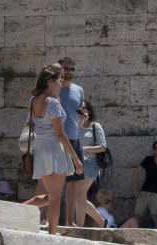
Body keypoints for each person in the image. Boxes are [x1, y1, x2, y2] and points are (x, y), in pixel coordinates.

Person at [29, 63, 83, 235]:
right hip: (53, 148)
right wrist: (75, 159)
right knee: (55, 198)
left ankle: (15, 208)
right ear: (50, 82)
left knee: (50, 196)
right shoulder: (52, 103)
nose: (61, 84)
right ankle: (52, 233)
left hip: (40, 148)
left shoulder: (34, 100)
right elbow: (60, 134)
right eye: (58, 81)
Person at [58, 57, 87, 227]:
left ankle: (69, 220)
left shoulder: (79, 90)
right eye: (66, 68)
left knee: (75, 182)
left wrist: (83, 117)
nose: (68, 71)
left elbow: (80, 117)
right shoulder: (55, 88)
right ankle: (43, 218)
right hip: (58, 139)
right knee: (54, 180)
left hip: (74, 139)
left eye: (71, 68)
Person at [76, 100, 108, 227]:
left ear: (89, 110)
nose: (81, 111)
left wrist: (85, 149)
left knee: (79, 194)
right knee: (79, 196)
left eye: (84, 108)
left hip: (91, 164)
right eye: (79, 109)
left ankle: (80, 225)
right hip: (77, 164)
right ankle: (100, 221)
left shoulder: (95, 126)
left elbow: (103, 146)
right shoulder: (76, 126)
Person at [133, 139, 157, 228]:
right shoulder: (148, 159)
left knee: (155, 216)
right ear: (153, 150)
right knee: (137, 215)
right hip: (144, 191)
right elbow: (136, 172)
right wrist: (135, 190)